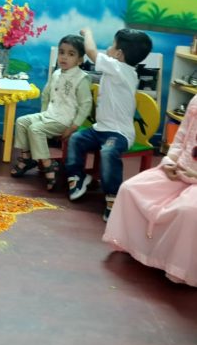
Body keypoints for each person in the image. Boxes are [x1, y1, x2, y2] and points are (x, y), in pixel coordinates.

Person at [103, 94, 197, 286]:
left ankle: (178, 267)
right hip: (179, 170)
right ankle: (138, 247)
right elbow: (180, 138)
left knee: (188, 211)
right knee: (130, 189)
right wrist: (169, 163)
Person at [66, 28, 153, 220]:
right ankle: (78, 177)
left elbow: (90, 51)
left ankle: (113, 196)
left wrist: (88, 33)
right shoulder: (118, 68)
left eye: (112, 45)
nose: (108, 48)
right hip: (100, 129)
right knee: (76, 139)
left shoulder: (120, 69)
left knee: (108, 151)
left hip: (118, 134)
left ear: (119, 54)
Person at [11, 35, 92, 190]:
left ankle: (48, 165)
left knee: (35, 129)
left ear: (80, 60)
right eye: (61, 52)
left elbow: (86, 105)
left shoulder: (81, 78)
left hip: (65, 120)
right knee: (22, 122)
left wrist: (73, 127)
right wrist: (43, 114)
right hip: (49, 115)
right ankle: (27, 158)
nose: (64, 57)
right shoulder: (56, 73)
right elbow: (46, 94)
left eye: (71, 54)